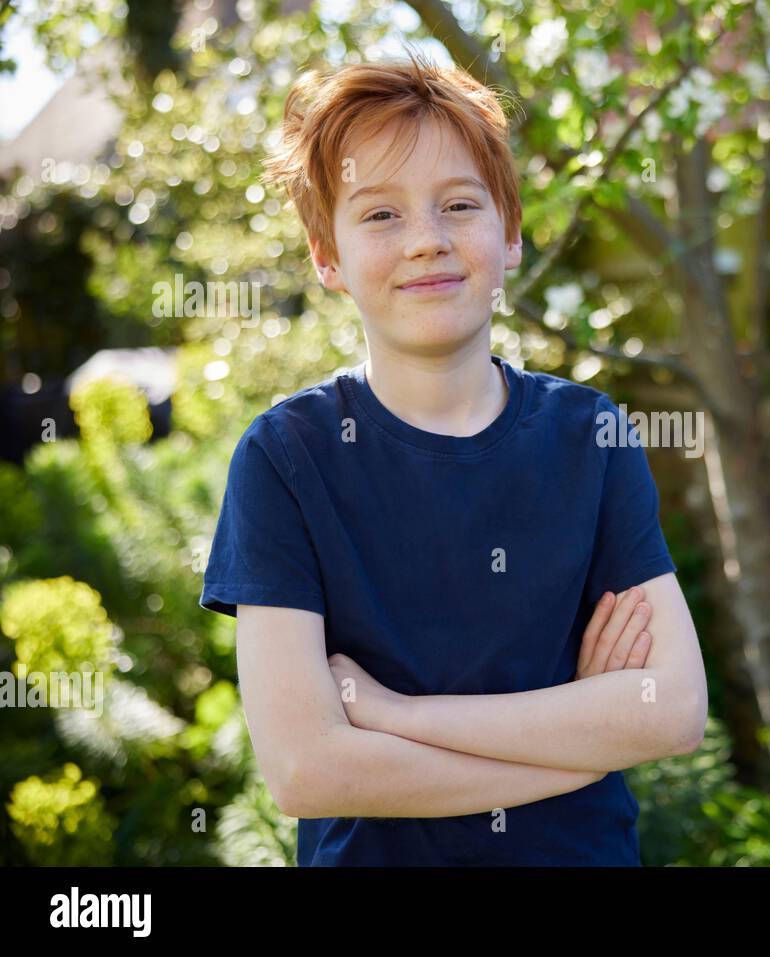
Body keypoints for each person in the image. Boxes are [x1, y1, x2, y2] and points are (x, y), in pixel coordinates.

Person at [199, 51, 708, 866]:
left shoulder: (590, 435)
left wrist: (394, 716)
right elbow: (307, 770)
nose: (426, 242)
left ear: (508, 238)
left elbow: (673, 708)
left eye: (459, 205)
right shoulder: (286, 459)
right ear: (326, 257)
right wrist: (583, 733)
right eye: (380, 215)